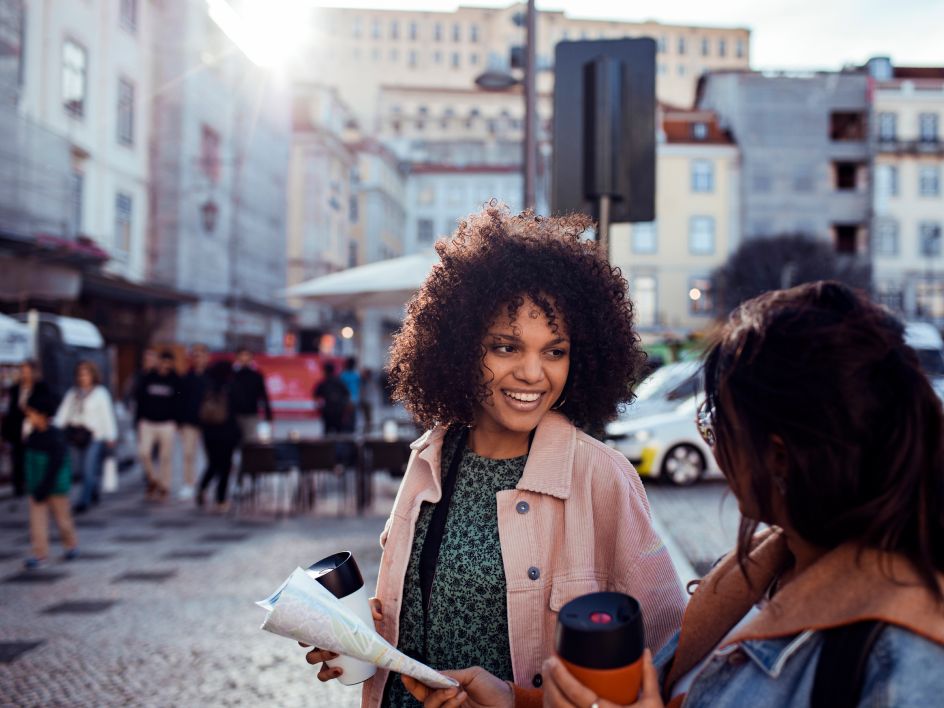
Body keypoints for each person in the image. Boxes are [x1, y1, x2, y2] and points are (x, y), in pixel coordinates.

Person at [414, 281, 944, 708]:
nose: (712, 444)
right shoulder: (765, 567)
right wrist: (516, 699)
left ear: (778, 455)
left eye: (716, 424)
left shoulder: (907, 657)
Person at [302, 205, 686, 708]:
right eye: (506, 348)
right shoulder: (430, 459)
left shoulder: (600, 476)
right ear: (461, 347)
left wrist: (522, 700)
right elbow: (414, 617)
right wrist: (362, 637)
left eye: (554, 351)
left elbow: (673, 653)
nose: (533, 373)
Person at [22, 388, 79, 569]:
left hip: (55, 485)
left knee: (63, 520)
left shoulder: (55, 436)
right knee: (37, 522)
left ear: (42, 414)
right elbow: (29, 461)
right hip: (37, 486)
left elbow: (56, 463)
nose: (28, 417)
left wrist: (45, 485)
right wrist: (32, 485)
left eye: (30, 413)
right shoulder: (32, 436)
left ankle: (70, 545)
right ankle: (40, 554)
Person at [54, 361, 118, 514]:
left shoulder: (100, 393)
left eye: (86, 374)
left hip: (95, 436)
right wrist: (55, 427)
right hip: (77, 436)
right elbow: (63, 414)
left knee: (89, 467)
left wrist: (111, 436)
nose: (83, 377)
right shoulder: (73, 393)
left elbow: (107, 415)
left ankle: (84, 500)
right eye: (80, 374)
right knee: (82, 469)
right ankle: (93, 489)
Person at [135, 351, 181, 501]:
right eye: (163, 361)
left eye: (168, 362)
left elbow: (180, 401)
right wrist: (139, 419)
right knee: (144, 452)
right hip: (148, 422)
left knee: (165, 457)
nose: (165, 365)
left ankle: (164, 486)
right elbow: (140, 399)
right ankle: (153, 479)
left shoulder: (175, 380)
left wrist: (177, 421)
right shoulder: (148, 377)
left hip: (167, 423)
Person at [196, 360, 240, 512]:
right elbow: (236, 410)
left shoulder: (206, 385)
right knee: (225, 466)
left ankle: (202, 487)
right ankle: (220, 500)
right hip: (226, 432)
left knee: (213, 464)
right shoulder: (231, 387)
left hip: (209, 432)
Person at [2, 361, 50, 497]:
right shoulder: (15, 389)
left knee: (34, 457)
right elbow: (11, 411)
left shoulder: (41, 387)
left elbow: (47, 407)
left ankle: (35, 484)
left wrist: (29, 409)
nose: (25, 374)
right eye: (22, 371)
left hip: (35, 427)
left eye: (27, 371)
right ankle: (19, 488)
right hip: (18, 429)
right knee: (18, 458)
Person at [179, 344, 210, 500]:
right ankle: (188, 483)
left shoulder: (212, 377)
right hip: (189, 422)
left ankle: (206, 485)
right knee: (188, 454)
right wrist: (180, 422)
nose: (198, 358)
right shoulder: (187, 378)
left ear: (207, 357)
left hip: (209, 423)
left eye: (201, 355)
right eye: (195, 355)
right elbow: (180, 400)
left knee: (210, 456)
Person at [230, 348, 272, 443]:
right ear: (237, 357)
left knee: (249, 444)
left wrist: (268, 415)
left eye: (247, 355)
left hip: (251, 415)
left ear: (251, 358)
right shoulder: (231, 375)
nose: (244, 358)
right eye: (242, 355)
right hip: (234, 415)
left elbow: (263, 395)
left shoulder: (256, 375)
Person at [314, 361, 352, 434]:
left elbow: (316, 396)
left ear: (325, 371)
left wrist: (319, 407)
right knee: (339, 432)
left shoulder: (323, 383)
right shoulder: (340, 382)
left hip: (327, 411)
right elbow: (347, 394)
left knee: (327, 432)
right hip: (339, 410)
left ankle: (327, 445)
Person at [340, 357, 361, 431]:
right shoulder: (356, 375)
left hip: (346, 399)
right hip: (354, 399)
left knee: (346, 417)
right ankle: (352, 430)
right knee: (352, 417)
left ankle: (347, 430)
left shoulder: (343, 375)